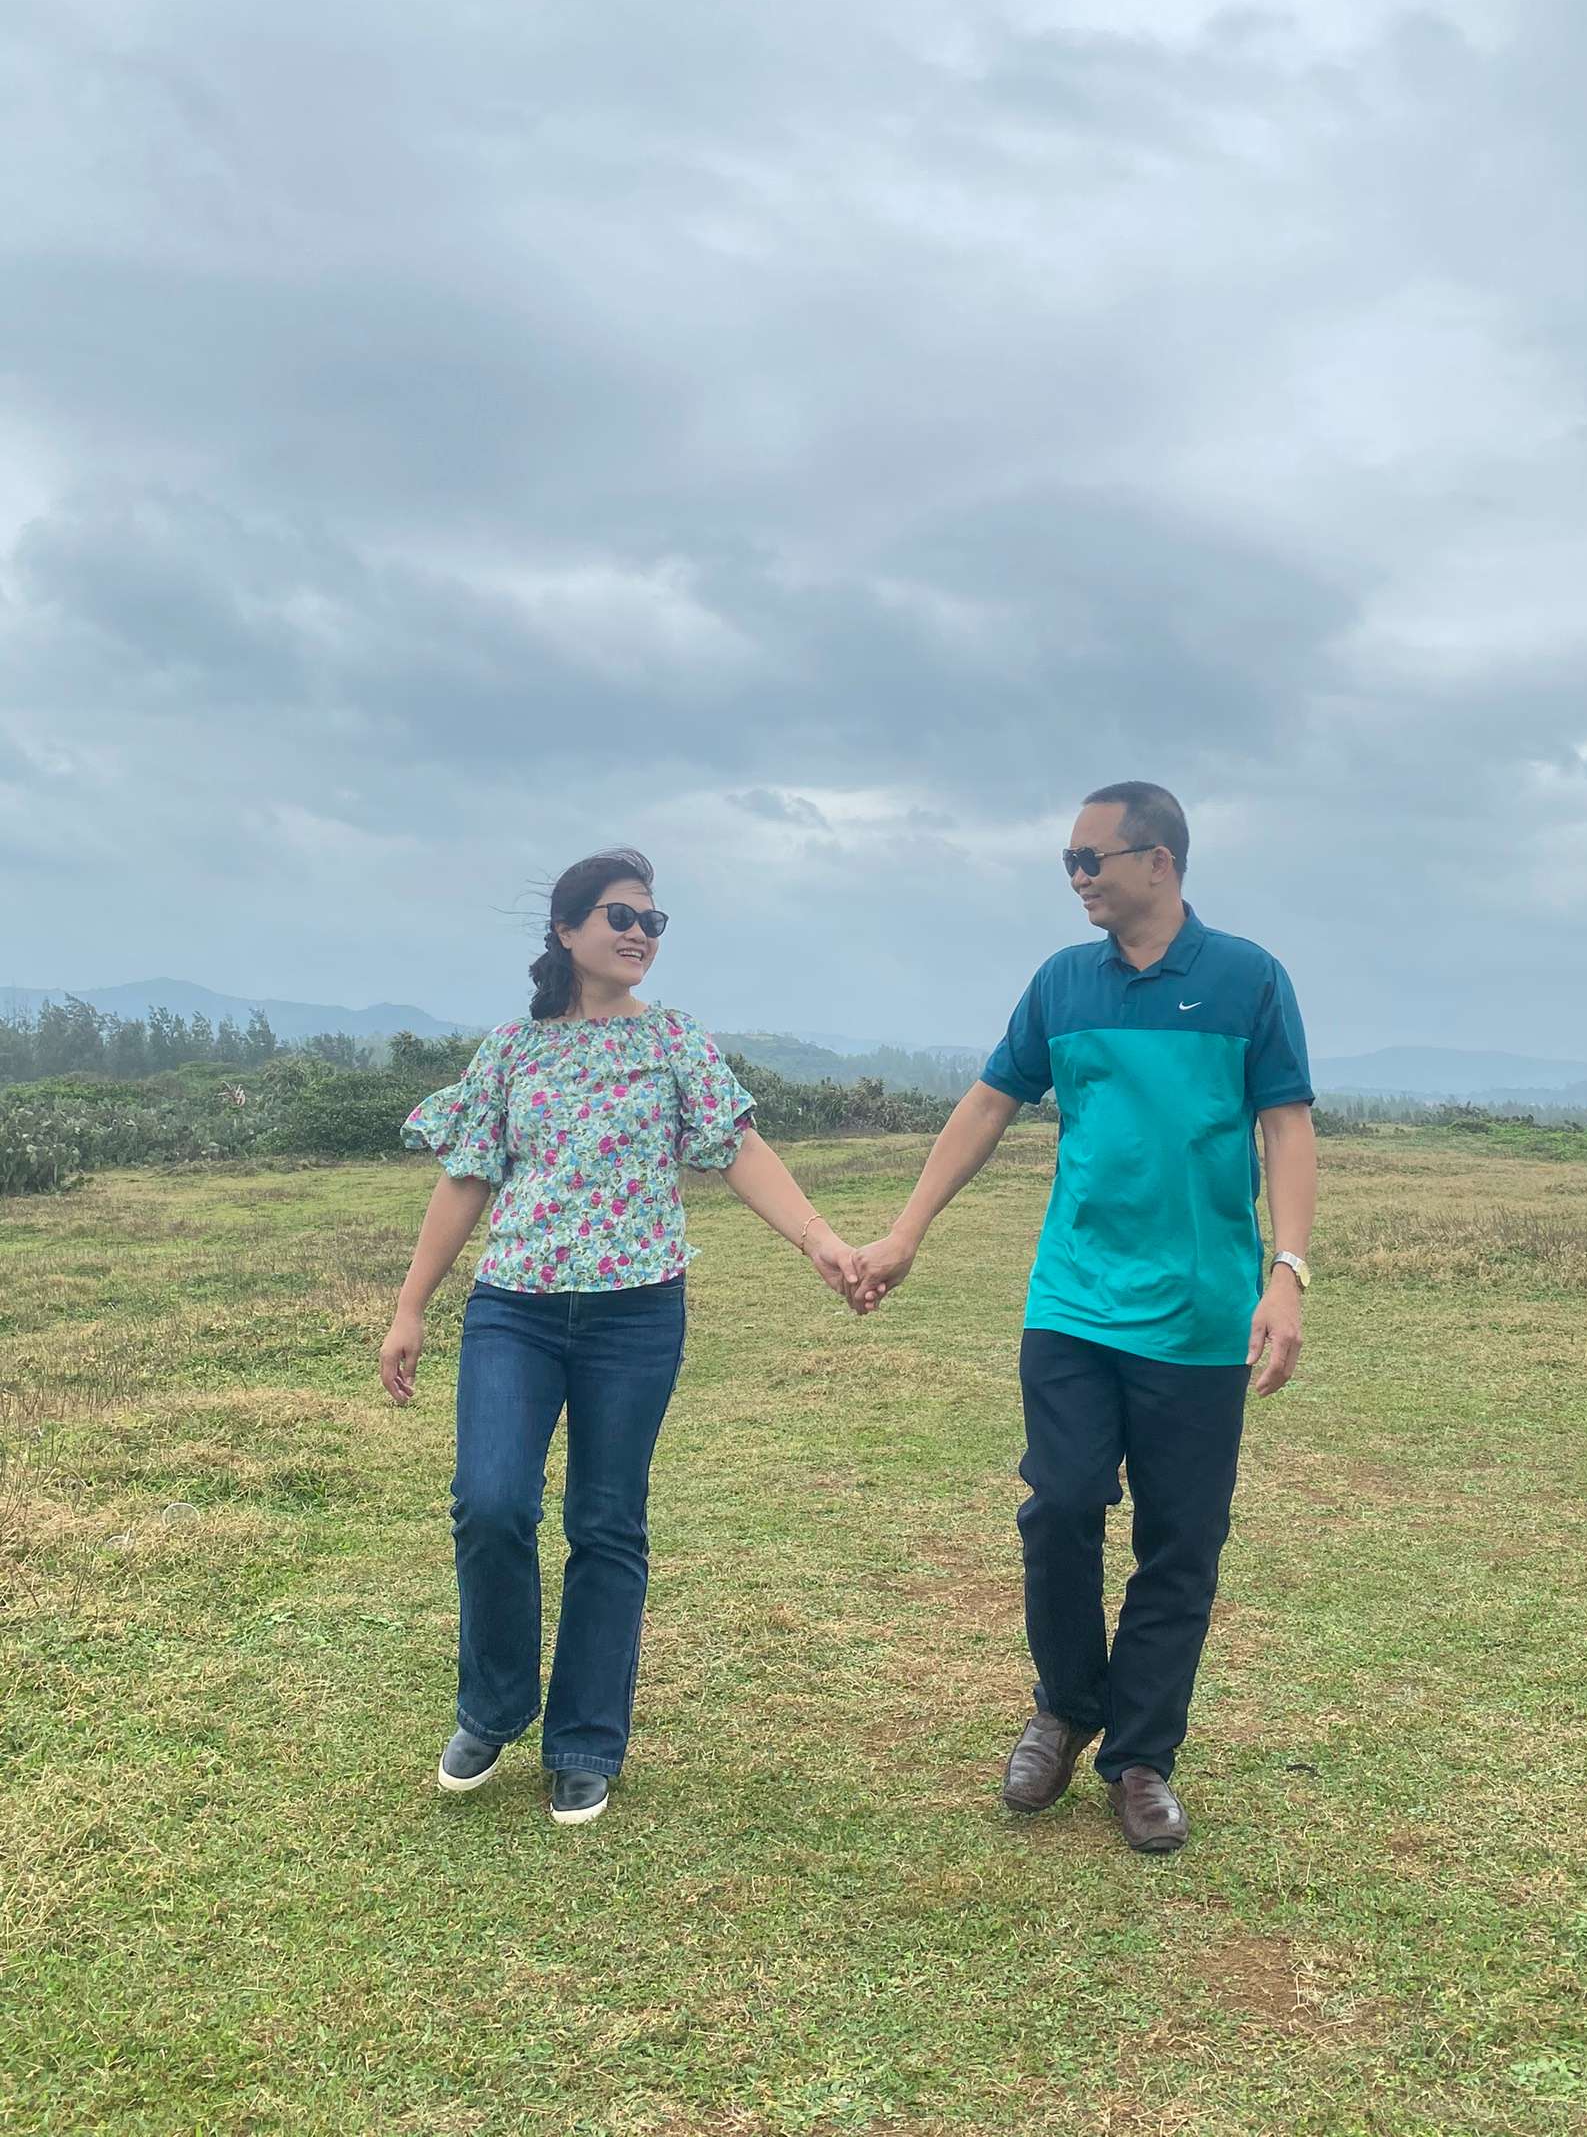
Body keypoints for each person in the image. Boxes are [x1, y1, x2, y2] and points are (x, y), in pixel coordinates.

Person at [851, 782, 1315, 1853]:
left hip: (1200, 1313)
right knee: (1060, 1503)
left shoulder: (1247, 977)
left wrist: (1286, 1271)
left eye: (1089, 858)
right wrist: (907, 1230)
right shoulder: (1062, 981)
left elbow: (1286, 1126)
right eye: (1067, 860)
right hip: (1073, 1300)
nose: (1075, 877)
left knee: (1180, 1538)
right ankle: (1065, 1705)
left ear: (1159, 861)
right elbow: (989, 1102)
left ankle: (1140, 1758)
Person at [378, 847, 862, 1825]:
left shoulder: (674, 1040)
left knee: (606, 1523)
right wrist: (410, 1304)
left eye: (653, 920)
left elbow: (739, 1148)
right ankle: (492, 1706)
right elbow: (466, 1177)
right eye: (620, 915)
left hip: (636, 1313)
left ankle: (585, 1742)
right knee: (490, 1503)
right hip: (514, 1308)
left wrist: (819, 1239)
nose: (641, 932)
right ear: (566, 931)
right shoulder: (512, 1052)